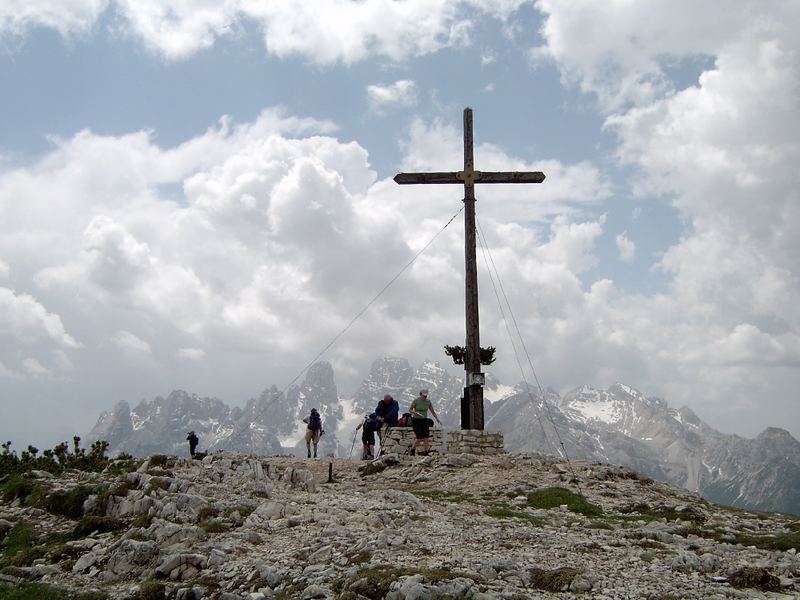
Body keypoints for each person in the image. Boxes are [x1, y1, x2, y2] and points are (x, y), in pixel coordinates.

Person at [409, 389, 441, 456]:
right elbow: (410, 409)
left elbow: (432, 411)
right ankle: (412, 449)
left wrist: (437, 418)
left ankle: (426, 452)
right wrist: (415, 412)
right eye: (424, 396)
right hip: (416, 420)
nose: (425, 397)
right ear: (420, 394)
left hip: (424, 420)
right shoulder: (416, 401)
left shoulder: (428, 402)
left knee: (426, 437)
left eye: (426, 396)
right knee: (419, 437)